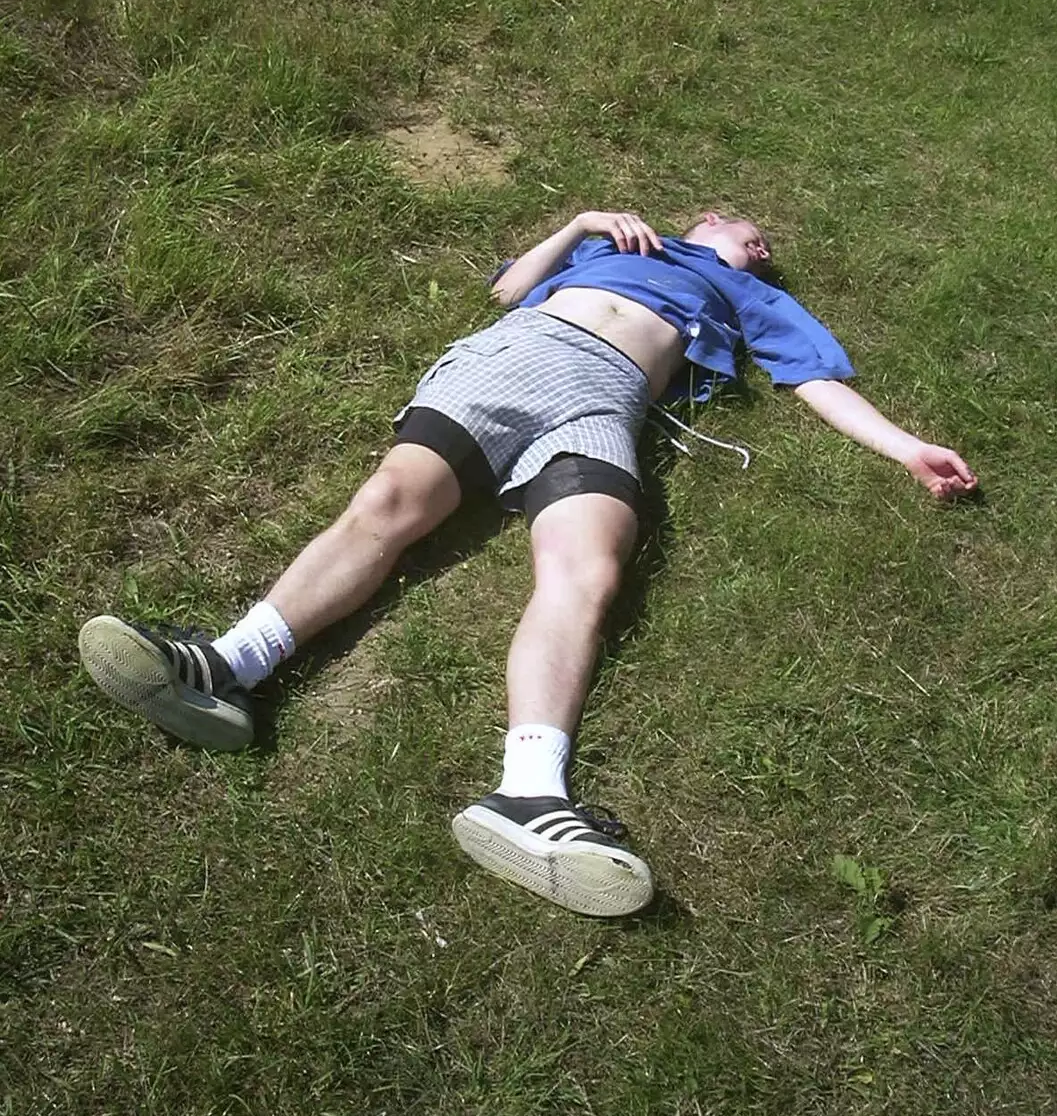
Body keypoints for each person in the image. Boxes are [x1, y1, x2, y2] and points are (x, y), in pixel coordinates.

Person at [79, 209, 977, 917]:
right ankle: (227, 665)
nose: (762, 246)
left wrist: (904, 449)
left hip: (608, 402)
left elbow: (812, 380)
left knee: (589, 569)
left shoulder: (751, 300)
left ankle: (528, 798)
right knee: (391, 505)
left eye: (764, 248)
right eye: (750, 234)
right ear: (703, 221)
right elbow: (511, 291)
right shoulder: (619, 242)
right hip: (525, 353)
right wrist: (582, 223)